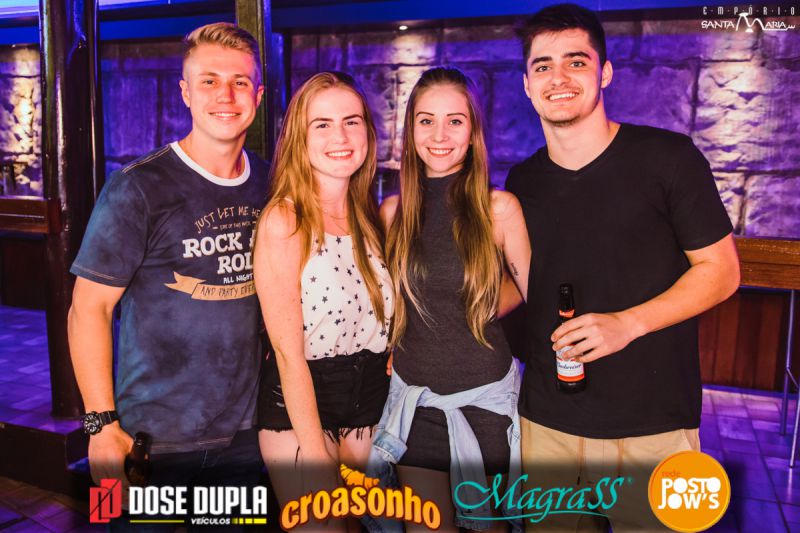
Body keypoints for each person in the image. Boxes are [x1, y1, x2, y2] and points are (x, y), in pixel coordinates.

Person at [505, 4, 741, 530]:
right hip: (548, 422)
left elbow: (722, 271)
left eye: (576, 62)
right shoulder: (522, 181)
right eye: (543, 66)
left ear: (605, 72)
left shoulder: (668, 158)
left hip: (653, 424)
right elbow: (519, 285)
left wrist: (626, 324)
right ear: (526, 85)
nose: (558, 78)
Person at [67, 22, 268, 522]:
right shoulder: (135, 187)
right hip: (143, 439)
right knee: (119, 524)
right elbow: (87, 309)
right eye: (208, 80)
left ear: (258, 96)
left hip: (246, 437)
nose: (225, 95)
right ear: (185, 92)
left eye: (240, 82)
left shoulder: (272, 182)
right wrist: (99, 427)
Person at [374, 66, 531, 532]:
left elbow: (532, 291)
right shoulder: (392, 212)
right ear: (410, 130)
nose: (439, 135)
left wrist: (478, 307)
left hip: (485, 404)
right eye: (426, 121)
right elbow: (392, 299)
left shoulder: (499, 208)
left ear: (473, 131)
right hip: (415, 404)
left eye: (455, 121)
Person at [253, 71, 393, 531]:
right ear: (300, 137)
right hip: (301, 404)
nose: (341, 136)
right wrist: (315, 457)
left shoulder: (371, 216)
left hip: (370, 402)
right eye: (323, 124)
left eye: (352, 122)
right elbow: (288, 355)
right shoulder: (284, 220)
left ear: (368, 133)